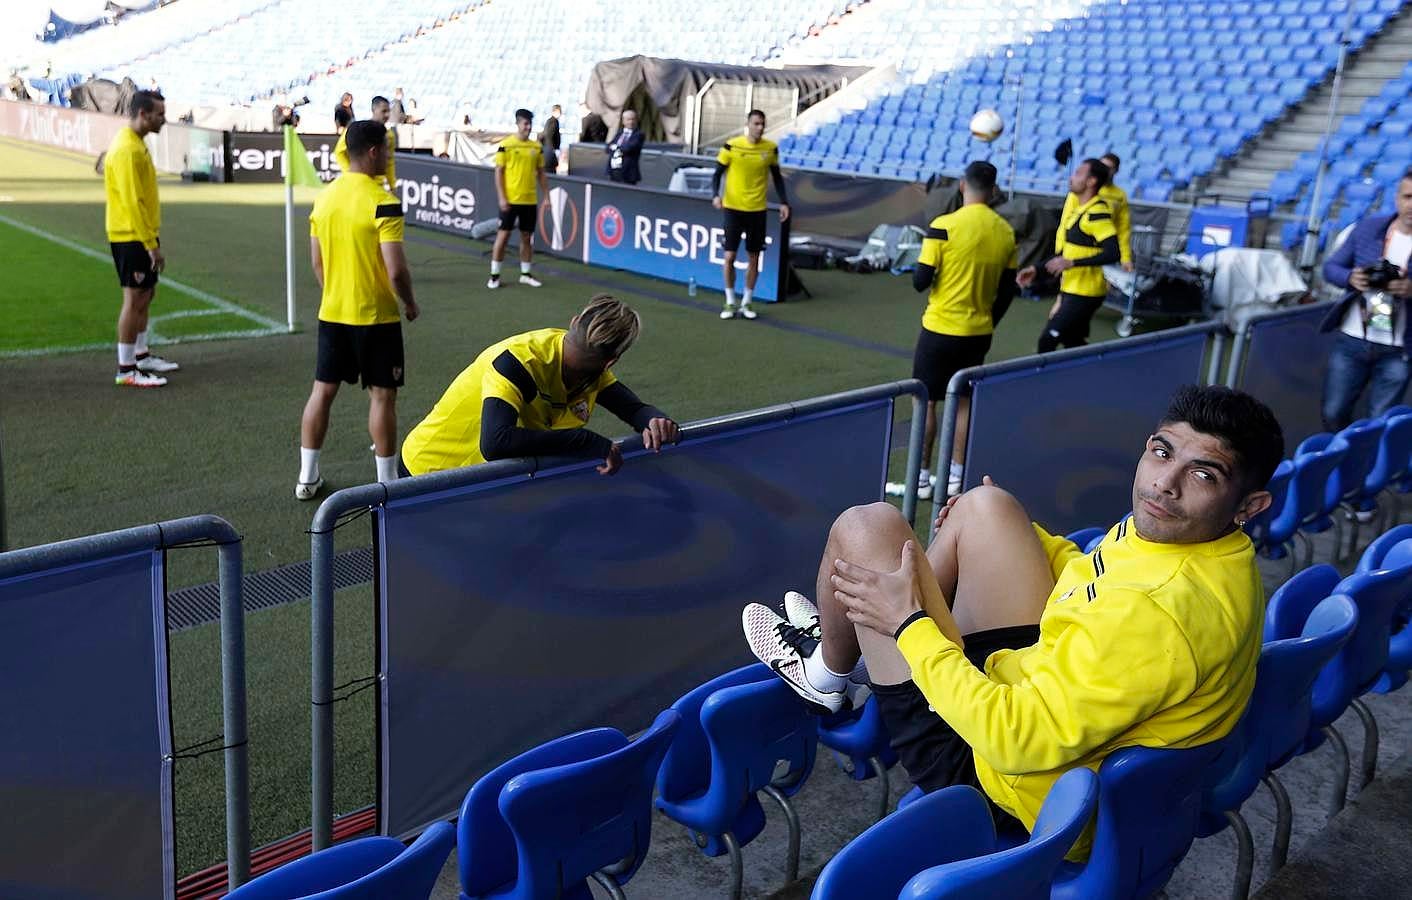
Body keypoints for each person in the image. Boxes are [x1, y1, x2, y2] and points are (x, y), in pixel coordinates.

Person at [743, 384, 1280, 854]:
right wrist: (1027, 535)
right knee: (986, 507)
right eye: (1163, 453)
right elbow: (1099, 576)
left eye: (1203, 475)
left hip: (1003, 778)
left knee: (866, 529)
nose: (1166, 483)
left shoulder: (1158, 613)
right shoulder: (1207, 549)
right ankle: (867, 654)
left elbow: (1013, 739)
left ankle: (828, 675)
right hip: (1044, 691)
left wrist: (909, 625)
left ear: (1249, 505)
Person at [400, 295, 679, 476]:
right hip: (427, 471)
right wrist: (588, 442)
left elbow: (633, 408)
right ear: (613, 361)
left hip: (476, 478)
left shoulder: (590, 374)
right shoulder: (520, 361)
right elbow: (496, 442)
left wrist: (656, 421)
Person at [296, 120, 419, 500]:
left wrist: (333, 292)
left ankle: (307, 477)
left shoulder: (324, 198)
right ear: (372, 151)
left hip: (332, 314)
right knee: (382, 399)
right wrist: (410, 303)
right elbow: (395, 269)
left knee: (322, 393)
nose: (388, 156)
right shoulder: (383, 200)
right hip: (377, 317)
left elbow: (317, 263)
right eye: (386, 150)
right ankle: (386, 484)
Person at [882, 161, 1017, 501]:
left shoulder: (943, 226)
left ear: (962, 185)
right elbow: (1008, 288)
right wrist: (989, 319)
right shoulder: (1005, 231)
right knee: (964, 402)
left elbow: (919, 282)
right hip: (978, 331)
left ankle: (921, 481)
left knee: (924, 400)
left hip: (940, 328)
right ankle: (955, 479)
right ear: (993, 188)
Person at [1320, 168, 1412, 432]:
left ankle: (1365, 470)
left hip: (1399, 349)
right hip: (1353, 339)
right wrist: (1351, 278)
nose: (1411, 205)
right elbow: (1331, 268)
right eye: (1408, 196)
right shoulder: (1368, 228)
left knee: (1379, 423)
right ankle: (1341, 462)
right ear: (1397, 198)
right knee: (1333, 411)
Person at [106, 89, 179, 387]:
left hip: (141, 233)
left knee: (147, 294)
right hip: (130, 235)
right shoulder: (127, 149)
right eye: (159, 114)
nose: (164, 119)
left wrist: (152, 238)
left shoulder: (135, 144)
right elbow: (133, 201)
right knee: (134, 298)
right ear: (142, 114)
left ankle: (141, 354)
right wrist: (150, 245)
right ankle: (126, 370)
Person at [1018, 158, 1119, 352]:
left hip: (1085, 293)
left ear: (1091, 182)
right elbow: (1066, 253)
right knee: (1073, 341)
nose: (1072, 177)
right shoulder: (1079, 210)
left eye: (1079, 173)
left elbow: (1113, 252)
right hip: (1072, 288)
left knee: (1047, 340)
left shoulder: (1096, 213)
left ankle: (1043, 381)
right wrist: (1036, 270)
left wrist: (1073, 263)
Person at [713, 109, 791, 320]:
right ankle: (730, 301)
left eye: (762, 124)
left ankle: (746, 302)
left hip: (757, 210)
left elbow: (777, 177)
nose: (760, 127)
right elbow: (717, 172)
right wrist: (716, 195)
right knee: (729, 256)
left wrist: (784, 202)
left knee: (754, 257)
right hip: (733, 208)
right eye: (756, 123)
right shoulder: (732, 145)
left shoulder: (771, 148)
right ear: (748, 124)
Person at [488, 108, 549, 290]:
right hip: (510, 200)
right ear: (518, 124)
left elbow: (541, 173)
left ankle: (525, 274)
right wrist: (501, 197)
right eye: (525, 124)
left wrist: (546, 195)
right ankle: (494, 276)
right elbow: (498, 172)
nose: (528, 127)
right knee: (503, 236)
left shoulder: (536, 147)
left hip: (529, 201)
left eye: (530, 124)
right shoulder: (505, 145)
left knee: (526, 237)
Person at [333, 95, 397, 189]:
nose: (387, 115)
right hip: (357, 184)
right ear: (373, 110)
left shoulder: (389, 135)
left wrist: (392, 185)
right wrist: (350, 174)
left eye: (388, 111)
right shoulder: (357, 130)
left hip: (378, 185)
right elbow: (339, 152)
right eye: (384, 111)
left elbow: (390, 161)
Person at [1099, 152, 1134, 273]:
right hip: (1081, 250)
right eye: (1101, 166)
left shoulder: (1119, 195)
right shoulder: (1086, 189)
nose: (1103, 170)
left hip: (1106, 250)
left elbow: (1123, 229)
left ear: (1116, 171)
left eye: (1109, 168)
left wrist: (1125, 257)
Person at [606, 109, 644, 185]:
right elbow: (607, 148)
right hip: (614, 170)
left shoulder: (638, 135)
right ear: (623, 121)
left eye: (633, 119)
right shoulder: (619, 133)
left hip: (628, 173)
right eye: (628, 119)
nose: (631, 122)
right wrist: (615, 147)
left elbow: (628, 148)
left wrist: (616, 147)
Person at [541, 104, 562, 173]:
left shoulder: (551, 121)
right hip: (550, 150)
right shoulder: (553, 121)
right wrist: (553, 150)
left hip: (549, 149)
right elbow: (549, 136)